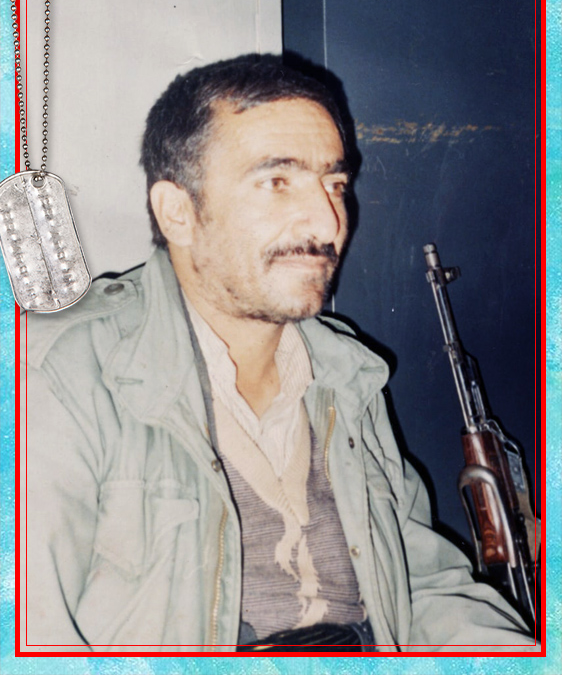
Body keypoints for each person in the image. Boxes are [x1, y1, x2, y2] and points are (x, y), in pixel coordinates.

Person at [23, 54, 538, 653]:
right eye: (277, 182)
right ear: (178, 212)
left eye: (335, 184)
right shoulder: (61, 373)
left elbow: (423, 583)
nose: (328, 220)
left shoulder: (346, 372)